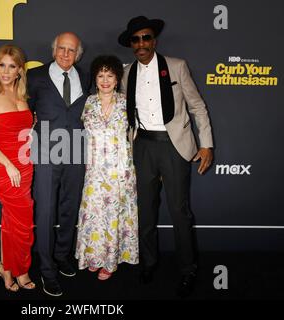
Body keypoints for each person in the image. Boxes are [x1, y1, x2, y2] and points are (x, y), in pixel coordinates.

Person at [118, 16, 214, 297]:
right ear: (132, 45)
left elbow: (197, 106)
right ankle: (148, 263)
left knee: (179, 212)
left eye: (146, 37)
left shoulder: (177, 66)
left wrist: (206, 144)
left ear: (154, 40)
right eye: (136, 40)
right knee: (145, 212)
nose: (141, 44)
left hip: (175, 146)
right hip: (143, 146)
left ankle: (188, 269)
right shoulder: (126, 74)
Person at [27, 32, 90, 296]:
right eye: (62, 49)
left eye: (71, 50)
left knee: (70, 206)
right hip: (45, 151)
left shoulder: (86, 76)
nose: (66, 54)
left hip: (76, 148)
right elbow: (21, 110)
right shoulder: (34, 76)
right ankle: (47, 270)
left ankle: (63, 254)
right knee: (45, 212)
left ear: (78, 54)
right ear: (54, 50)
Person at [75, 55, 139, 281]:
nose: (105, 80)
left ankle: (110, 262)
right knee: (95, 214)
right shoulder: (88, 102)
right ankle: (94, 257)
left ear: (117, 78)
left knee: (113, 215)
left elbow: (137, 135)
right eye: (100, 75)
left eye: (110, 76)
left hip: (119, 171)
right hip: (94, 170)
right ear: (95, 78)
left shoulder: (126, 102)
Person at [0, 45, 35, 292]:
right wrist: (9, 164)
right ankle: (22, 270)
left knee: (11, 221)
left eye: (12, 66)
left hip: (25, 166)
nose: (6, 71)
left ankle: (5, 268)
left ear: (20, 70)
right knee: (23, 221)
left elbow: (25, 131)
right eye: (1, 65)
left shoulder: (22, 97)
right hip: (4, 167)